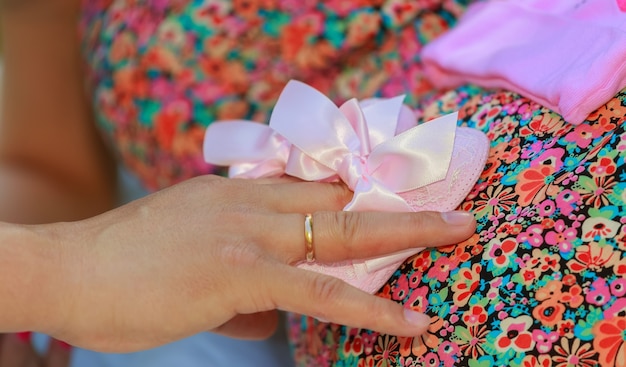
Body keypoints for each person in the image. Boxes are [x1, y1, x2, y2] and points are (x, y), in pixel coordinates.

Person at [0, 1, 479, 366]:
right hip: (291, 311)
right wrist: (45, 280)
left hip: (501, 144)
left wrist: (51, 271)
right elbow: (49, 165)